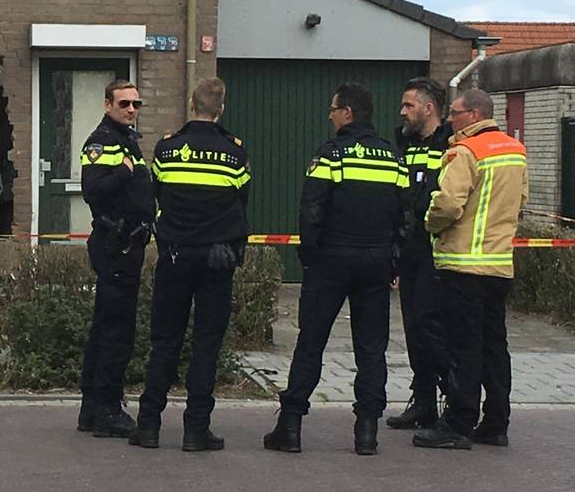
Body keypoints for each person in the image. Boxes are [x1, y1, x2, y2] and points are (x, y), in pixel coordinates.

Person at [265, 83, 408, 456]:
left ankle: (291, 427)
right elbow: (404, 216)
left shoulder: (332, 154)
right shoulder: (393, 157)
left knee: (311, 342)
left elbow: (311, 209)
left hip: (331, 260)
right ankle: (367, 432)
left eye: (332, 109)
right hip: (375, 262)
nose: (329, 115)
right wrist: (394, 262)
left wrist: (310, 257)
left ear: (347, 112)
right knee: (371, 348)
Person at [129, 78, 250, 452]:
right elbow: (241, 205)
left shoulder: (166, 149)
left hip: (176, 256)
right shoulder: (235, 154)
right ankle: (196, 430)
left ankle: (148, 426)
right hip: (216, 259)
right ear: (222, 108)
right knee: (206, 345)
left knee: (164, 341)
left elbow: (155, 198)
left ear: (191, 104)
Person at [414, 89, 527, 450]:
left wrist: (430, 223)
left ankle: (459, 424)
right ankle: (496, 423)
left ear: (475, 115)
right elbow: (520, 200)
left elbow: (448, 203)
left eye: (457, 113)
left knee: (463, 347)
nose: (451, 119)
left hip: (463, 266)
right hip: (498, 267)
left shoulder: (465, 151)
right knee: (495, 346)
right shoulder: (514, 151)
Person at [76, 80, 154, 438]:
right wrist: (123, 172)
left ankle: (92, 409)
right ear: (107, 104)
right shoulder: (102, 142)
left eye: (136, 104)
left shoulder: (127, 142)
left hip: (126, 244)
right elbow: (92, 190)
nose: (131, 110)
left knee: (106, 325)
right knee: (117, 331)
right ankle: (107, 409)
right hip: (116, 245)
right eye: (124, 103)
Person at [387, 78, 453, 430]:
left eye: (409, 105)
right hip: (410, 249)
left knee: (431, 325)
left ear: (429, 108)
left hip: (437, 251)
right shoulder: (407, 143)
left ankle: (454, 395)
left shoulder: (451, 144)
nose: (402, 111)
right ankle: (424, 400)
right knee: (413, 327)